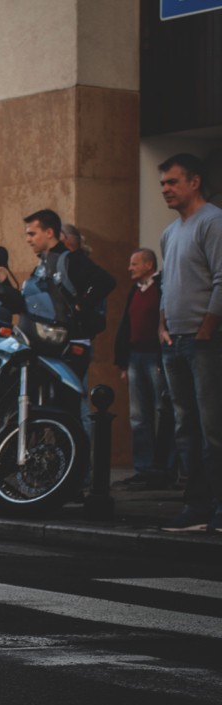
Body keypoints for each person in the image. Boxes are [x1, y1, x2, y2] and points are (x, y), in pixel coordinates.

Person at [155, 153, 222, 533]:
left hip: (205, 343)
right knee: (186, 429)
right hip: (174, 343)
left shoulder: (212, 222)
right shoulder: (169, 232)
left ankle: (219, 508)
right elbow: (167, 286)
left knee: (214, 430)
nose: (165, 189)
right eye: (162, 184)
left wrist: (206, 331)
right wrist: (163, 327)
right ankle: (196, 507)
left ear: (194, 182)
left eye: (172, 182)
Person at [0, 209, 115, 382]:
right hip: (44, 344)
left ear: (49, 232)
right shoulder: (43, 264)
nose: (28, 239)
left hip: (69, 345)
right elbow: (24, 302)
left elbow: (106, 281)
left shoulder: (71, 260)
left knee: (69, 401)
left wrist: (79, 306)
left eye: (32, 234)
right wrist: (0, 272)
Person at [114, 249, 171, 490]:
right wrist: (124, 363)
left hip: (155, 358)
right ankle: (143, 469)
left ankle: (165, 469)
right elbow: (126, 325)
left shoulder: (161, 287)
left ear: (149, 265)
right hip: (135, 358)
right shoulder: (135, 291)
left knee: (165, 412)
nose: (130, 268)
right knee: (138, 417)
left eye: (134, 264)